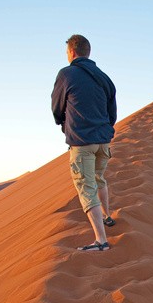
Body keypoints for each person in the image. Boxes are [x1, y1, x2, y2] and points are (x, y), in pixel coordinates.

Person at [52, 34, 117, 252]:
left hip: (82, 142)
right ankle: (108, 216)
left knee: (86, 187)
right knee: (99, 179)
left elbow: (57, 107)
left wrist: (63, 123)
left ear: (71, 52)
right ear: (88, 52)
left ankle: (101, 240)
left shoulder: (66, 74)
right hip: (103, 141)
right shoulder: (104, 77)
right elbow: (112, 112)